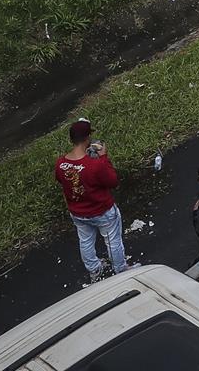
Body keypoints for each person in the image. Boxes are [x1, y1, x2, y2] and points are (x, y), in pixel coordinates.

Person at [54, 118, 128, 281]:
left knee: (85, 242)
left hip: (78, 213)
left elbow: (63, 181)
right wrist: (103, 157)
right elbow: (113, 181)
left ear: (71, 139)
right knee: (112, 241)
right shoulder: (95, 164)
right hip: (102, 212)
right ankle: (121, 270)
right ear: (87, 139)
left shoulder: (60, 163)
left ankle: (94, 269)